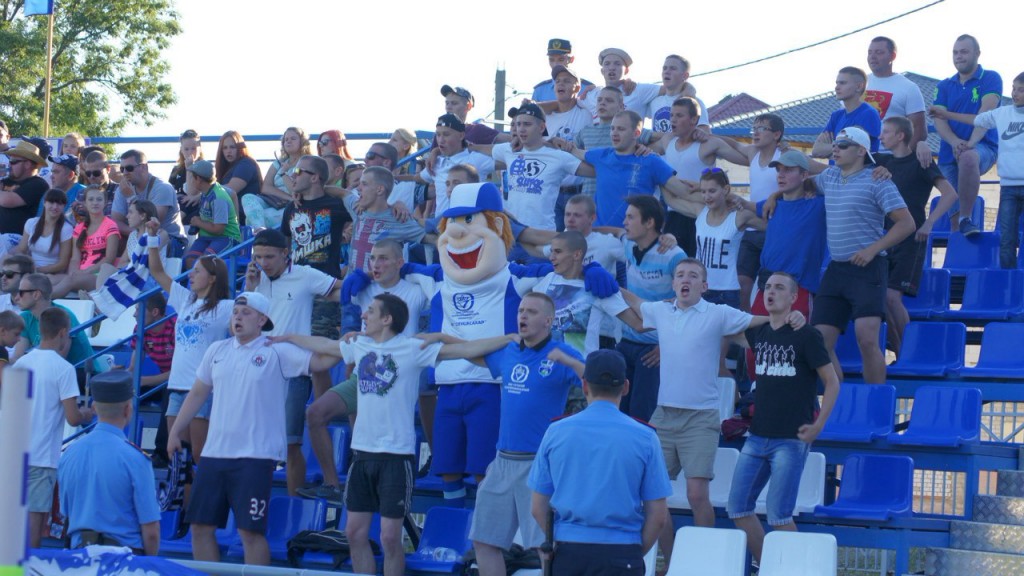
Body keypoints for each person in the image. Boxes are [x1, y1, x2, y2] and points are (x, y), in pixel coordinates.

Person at [274, 293, 513, 576]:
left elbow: (466, 350)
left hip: (396, 458)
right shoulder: (360, 344)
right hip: (362, 456)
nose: (363, 315)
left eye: (370, 311)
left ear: (387, 319)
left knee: (389, 537)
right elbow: (325, 345)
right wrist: (288, 337)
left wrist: (509, 338)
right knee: (354, 533)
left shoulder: (413, 348)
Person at [621, 258, 806, 570]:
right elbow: (637, 305)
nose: (686, 279)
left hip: (701, 417)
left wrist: (792, 315)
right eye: (680, 275)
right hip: (663, 416)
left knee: (696, 494)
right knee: (653, 496)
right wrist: (611, 287)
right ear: (673, 283)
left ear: (704, 286)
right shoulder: (661, 311)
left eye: (693, 276)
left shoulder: (718, 313)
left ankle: (702, 564)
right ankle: (674, 561)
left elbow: (759, 321)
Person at [167, 292, 340, 566]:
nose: (238, 317)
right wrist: (176, 431)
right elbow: (197, 393)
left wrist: (295, 338)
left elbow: (324, 361)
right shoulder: (217, 350)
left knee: (250, 532)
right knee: (199, 528)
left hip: (255, 457)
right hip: (214, 454)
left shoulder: (277, 350)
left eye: (246, 313)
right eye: (235, 312)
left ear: (262, 320)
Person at [455, 292, 584, 576]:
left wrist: (569, 361)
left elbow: (595, 381)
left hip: (537, 464)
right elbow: (468, 352)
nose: (522, 316)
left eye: (531, 312)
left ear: (548, 321)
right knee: (483, 541)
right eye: (521, 310)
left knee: (545, 548)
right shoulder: (509, 351)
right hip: (502, 460)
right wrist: (503, 338)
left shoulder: (561, 353)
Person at [299, 239, 429, 504]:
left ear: (400, 262)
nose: (375, 264)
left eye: (383, 258)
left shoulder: (415, 291)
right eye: (372, 258)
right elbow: (334, 297)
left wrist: (412, 270)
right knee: (315, 414)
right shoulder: (363, 289)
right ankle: (333, 485)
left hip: (399, 374)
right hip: (364, 370)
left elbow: (445, 288)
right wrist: (359, 278)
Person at [726, 272, 840, 564]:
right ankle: (770, 566)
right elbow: (724, 329)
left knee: (779, 516)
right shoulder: (759, 332)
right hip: (757, 437)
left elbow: (832, 382)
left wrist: (819, 425)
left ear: (793, 297)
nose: (771, 292)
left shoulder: (807, 335)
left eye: (779, 288)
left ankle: (796, 569)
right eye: (767, 287)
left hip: (790, 439)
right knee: (738, 508)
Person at [529, 349, 672, 576]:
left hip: (569, 551)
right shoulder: (645, 437)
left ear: (584, 385)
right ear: (625, 387)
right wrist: (634, 552)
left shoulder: (556, 432)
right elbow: (658, 516)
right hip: (623, 552)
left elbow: (538, 508)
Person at [810, 127, 915, 385]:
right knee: (819, 341)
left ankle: (874, 400)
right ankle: (838, 398)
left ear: (861, 151)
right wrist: (775, 196)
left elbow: (907, 223)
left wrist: (872, 250)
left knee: (867, 339)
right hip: (837, 268)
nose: (836, 149)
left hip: (868, 268)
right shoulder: (829, 176)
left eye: (843, 145)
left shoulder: (878, 180)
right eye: (835, 144)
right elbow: (800, 180)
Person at [243, 229, 341, 496]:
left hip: (294, 370)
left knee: (290, 443)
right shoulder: (255, 280)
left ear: (285, 253)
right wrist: (250, 288)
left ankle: (293, 501)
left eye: (269, 256)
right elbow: (243, 322)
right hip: (258, 368)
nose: (263, 262)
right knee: (257, 442)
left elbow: (340, 288)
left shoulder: (305, 275)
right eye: (258, 257)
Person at [147, 214, 233, 462]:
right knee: (176, 456)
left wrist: (251, 284)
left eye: (197, 271)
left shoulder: (226, 307)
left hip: (202, 388)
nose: (191, 275)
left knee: (198, 454)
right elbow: (157, 271)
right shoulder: (185, 300)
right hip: (176, 386)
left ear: (213, 278)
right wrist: (152, 239)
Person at [875, 117, 957, 355]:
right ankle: (901, 354)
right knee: (882, 299)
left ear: (900, 135)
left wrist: (930, 223)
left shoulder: (922, 161)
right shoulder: (883, 161)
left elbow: (950, 194)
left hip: (912, 237)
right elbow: (845, 154)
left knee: (892, 297)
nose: (881, 136)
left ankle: (911, 353)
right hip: (884, 237)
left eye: (886, 132)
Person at [58, 371, 161, 555]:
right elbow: (151, 532)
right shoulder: (136, 459)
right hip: (124, 560)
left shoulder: (69, 454)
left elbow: (66, 513)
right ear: (128, 409)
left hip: (79, 558)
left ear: (94, 408)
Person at [16, 306, 94, 548]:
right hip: (42, 457)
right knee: (35, 520)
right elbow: (73, 418)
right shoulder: (64, 369)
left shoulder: (20, 363)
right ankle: (27, 566)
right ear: (62, 332)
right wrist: (88, 413)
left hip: (13, 454)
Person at [930, 71, 1024, 267]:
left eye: (1021, 90)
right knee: (1006, 239)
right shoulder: (1003, 113)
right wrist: (946, 115)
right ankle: (1007, 277)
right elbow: (976, 120)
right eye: (1014, 89)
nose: (1015, 94)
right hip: (1008, 187)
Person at [648, 97, 747, 256]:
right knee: (673, 266)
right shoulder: (667, 140)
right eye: (671, 115)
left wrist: (710, 135)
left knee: (700, 265)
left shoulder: (709, 144)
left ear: (694, 119)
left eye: (679, 115)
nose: (673, 120)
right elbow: (643, 150)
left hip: (703, 215)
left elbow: (747, 159)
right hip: (674, 213)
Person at [564, 110, 695, 227]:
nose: (614, 133)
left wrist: (706, 199)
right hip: (601, 237)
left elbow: (684, 192)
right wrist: (558, 143)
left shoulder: (651, 161)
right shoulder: (601, 155)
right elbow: (574, 151)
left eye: (621, 129)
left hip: (635, 239)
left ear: (636, 133)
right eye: (612, 128)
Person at [928, 34, 1002, 237]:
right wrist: (955, 142)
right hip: (949, 152)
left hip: (983, 147)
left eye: (964, 51)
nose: (958, 56)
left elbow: (985, 114)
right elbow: (939, 120)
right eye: (955, 52)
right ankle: (958, 244)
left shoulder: (991, 78)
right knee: (955, 226)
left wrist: (970, 144)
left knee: (968, 157)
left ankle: (967, 218)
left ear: (977, 53)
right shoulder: (943, 86)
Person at [719, 113, 786, 310]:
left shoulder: (785, 156)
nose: (756, 133)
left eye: (762, 129)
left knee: (771, 285)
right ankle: (746, 325)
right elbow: (734, 144)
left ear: (776, 134)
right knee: (742, 284)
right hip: (750, 230)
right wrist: (708, 134)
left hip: (773, 229)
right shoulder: (752, 152)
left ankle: (770, 324)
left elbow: (814, 172)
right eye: (754, 129)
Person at [337, 166, 425, 274]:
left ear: (379, 189)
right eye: (357, 183)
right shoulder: (357, 208)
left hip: (379, 283)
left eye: (364, 183)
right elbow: (340, 192)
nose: (359, 188)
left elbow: (432, 238)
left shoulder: (398, 218)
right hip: (353, 282)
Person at [13, 273, 97, 386]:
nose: (16, 298)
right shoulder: (25, 318)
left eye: (21, 292)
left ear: (36, 294)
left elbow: (59, 358)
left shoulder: (62, 316)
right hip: (51, 372)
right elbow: (18, 356)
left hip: (80, 371)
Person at [410, 114, 495, 217]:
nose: (440, 140)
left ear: (461, 135)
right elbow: (416, 178)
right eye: (438, 135)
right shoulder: (437, 162)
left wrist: (476, 147)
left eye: (446, 134)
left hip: (468, 223)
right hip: (441, 224)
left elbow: (508, 157)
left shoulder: (476, 159)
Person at [864, 36, 932, 163]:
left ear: (893, 56)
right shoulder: (859, 84)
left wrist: (900, 160)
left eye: (879, 52)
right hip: (859, 158)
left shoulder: (909, 88)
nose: (872, 56)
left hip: (890, 158)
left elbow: (919, 130)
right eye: (870, 52)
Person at [51, 186, 120, 298]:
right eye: (91, 199)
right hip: (79, 274)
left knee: (70, 280)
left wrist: (84, 272)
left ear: (105, 203)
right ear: (85, 203)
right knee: (51, 279)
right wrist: (73, 272)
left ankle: (43, 299)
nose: (95, 203)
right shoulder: (80, 227)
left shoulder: (110, 226)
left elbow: (109, 259)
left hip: (98, 275)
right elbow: (75, 258)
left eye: (99, 199)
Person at [113, 149, 184, 241]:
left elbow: (152, 223)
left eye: (129, 168)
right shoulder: (123, 188)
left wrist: (131, 197)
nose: (125, 173)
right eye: (122, 169)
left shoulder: (162, 188)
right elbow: (115, 222)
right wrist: (136, 235)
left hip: (170, 239)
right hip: (137, 236)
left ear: (144, 167)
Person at [182, 159, 240, 270]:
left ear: (199, 179)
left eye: (192, 177)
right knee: (189, 260)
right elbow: (233, 193)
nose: (191, 180)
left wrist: (198, 222)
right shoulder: (206, 191)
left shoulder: (219, 198)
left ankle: (208, 282)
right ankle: (193, 281)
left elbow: (219, 229)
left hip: (226, 238)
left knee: (205, 262)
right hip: (207, 237)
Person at [812, 67, 882, 159]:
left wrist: (831, 147)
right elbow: (816, 150)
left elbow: (853, 155)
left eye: (843, 83)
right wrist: (841, 145)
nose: (837, 87)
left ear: (859, 87)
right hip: (834, 167)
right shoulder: (836, 116)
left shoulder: (868, 114)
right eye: (837, 83)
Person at [250, 127, 309, 230]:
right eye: (286, 139)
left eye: (293, 138)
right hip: (274, 200)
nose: (288, 141)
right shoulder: (279, 162)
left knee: (257, 217)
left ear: (302, 141)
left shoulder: (306, 162)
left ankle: (260, 232)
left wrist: (283, 173)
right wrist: (288, 197)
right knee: (248, 198)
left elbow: (295, 190)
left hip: (292, 205)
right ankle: (260, 230)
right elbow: (265, 188)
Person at [0, 141, 49, 246]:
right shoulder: (7, 180)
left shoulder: (38, 184)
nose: (9, 164)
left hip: (18, 240)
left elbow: (7, 201)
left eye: (13, 161)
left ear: (27, 164)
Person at [16, 188, 73, 278]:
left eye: (59, 203)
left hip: (52, 274)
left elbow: (63, 263)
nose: (55, 207)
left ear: (64, 206)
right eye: (51, 202)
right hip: (30, 269)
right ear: (44, 202)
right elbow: (21, 249)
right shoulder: (31, 223)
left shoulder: (66, 229)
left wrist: (37, 270)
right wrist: (25, 267)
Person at [211, 130, 257, 216]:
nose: (228, 151)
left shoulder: (246, 163)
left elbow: (231, 189)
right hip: (226, 210)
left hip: (242, 213)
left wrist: (203, 194)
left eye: (232, 147)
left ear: (239, 148)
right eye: (225, 148)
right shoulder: (226, 167)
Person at [0, 309, 25, 388]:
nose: (19, 339)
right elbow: (5, 382)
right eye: (16, 334)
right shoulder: (2, 352)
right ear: (3, 331)